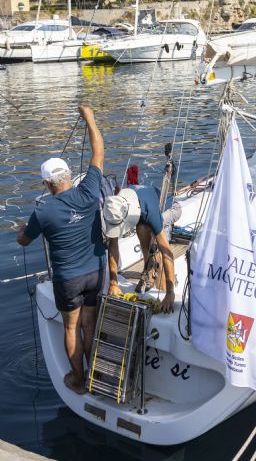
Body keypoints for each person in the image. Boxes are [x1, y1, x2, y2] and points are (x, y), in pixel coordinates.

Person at [17, 106, 105, 396]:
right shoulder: (90, 191)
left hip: (68, 280)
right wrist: (89, 118)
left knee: (72, 328)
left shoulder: (43, 211)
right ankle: (93, 374)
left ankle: (79, 382)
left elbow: (24, 241)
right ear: (69, 176)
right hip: (95, 272)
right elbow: (98, 153)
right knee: (90, 324)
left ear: (47, 184)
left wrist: (23, 229)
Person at [104, 184, 175, 313]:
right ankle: (149, 266)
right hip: (143, 210)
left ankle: (163, 285)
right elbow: (112, 245)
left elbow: (168, 252)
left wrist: (170, 293)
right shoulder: (115, 207)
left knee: (158, 251)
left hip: (170, 208)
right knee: (141, 228)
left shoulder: (149, 211)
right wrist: (113, 283)